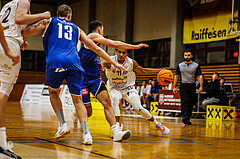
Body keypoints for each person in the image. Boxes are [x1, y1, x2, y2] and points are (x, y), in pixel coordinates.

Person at [22, 5, 128, 144]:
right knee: (77, 100)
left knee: (53, 92)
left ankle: (62, 125)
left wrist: (22, 40)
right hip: (74, 64)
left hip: (56, 62)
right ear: (70, 16)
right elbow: (95, 47)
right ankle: (87, 134)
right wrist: (114, 63)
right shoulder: (76, 28)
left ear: (57, 14)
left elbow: (27, 31)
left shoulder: (49, 21)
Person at [77, 20, 148, 139]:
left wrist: (98, 63)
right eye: (103, 30)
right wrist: (135, 46)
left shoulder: (94, 41)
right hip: (82, 78)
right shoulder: (92, 36)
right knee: (88, 111)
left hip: (94, 78)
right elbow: (114, 44)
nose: (103, 33)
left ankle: (116, 133)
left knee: (107, 102)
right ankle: (85, 131)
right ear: (99, 30)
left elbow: (94, 55)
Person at [0, 0, 50, 158]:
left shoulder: (7, 5)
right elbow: (19, 19)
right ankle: (1, 144)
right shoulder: (24, 1)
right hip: (9, 44)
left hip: (5, 41)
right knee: (3, 92)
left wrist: (22, 40)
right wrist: (43, 15)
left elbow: (21, 30)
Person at [102, 49, 170, 136]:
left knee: (139, 108)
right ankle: (117, 129)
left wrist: (158, 71)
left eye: (124, 52)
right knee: (114, 100)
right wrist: (100, 66)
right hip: (114, 88)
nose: (121, 54)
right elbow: (100, 64)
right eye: (119, 52)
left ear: (127, 54)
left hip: (128, 88)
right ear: (116, 52)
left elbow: (142, 71)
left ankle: (157, 124)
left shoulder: (131, 62)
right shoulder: (109, 61)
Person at [173, 49, 203, 125]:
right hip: (183, 85)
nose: (187, 57)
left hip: (192, 86)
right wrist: (174, 86)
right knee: (184, 101)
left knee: (190, 103)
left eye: (188, 55)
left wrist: (201, 86)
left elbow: (200, 76)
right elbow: (176, 76)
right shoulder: (180, 65)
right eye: (185, 55)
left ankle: (188, 118)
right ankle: (184, 117)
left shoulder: (196, 65)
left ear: (191, 56)